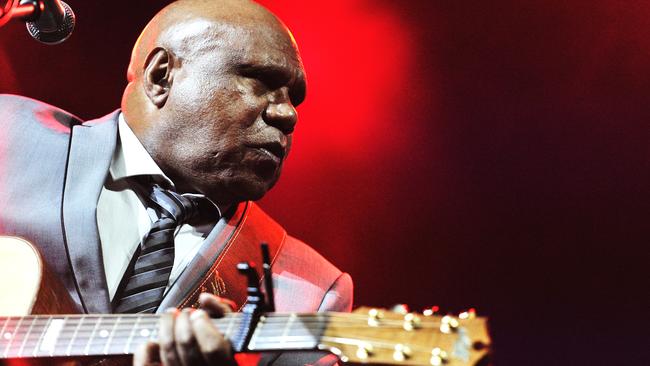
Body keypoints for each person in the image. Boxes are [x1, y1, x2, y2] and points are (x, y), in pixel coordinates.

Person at [0, 0, 352, 364]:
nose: (287, 114)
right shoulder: (10, 134)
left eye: (294, 99)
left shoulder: (313, 292)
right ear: (160, 75)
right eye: (260, 81)